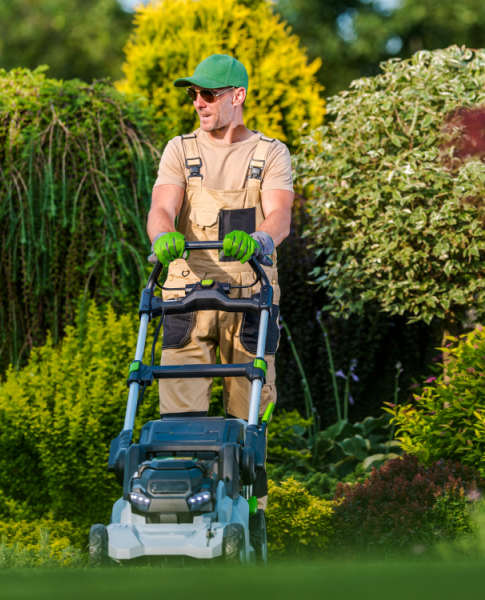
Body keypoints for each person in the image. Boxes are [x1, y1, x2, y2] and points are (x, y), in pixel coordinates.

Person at [146, 53, 293, 551]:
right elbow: (162, 208)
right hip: (186, 297)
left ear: (237, 97)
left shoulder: (270, 154)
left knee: (245, 424)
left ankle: (249, 524)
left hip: (249, 300)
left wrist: (260, 241)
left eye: (208, 94)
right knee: (179, 426)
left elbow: (279, 217)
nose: (198, 103)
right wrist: (164, 235)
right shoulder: (179, 150)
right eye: (194, 94)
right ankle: (174, 526)